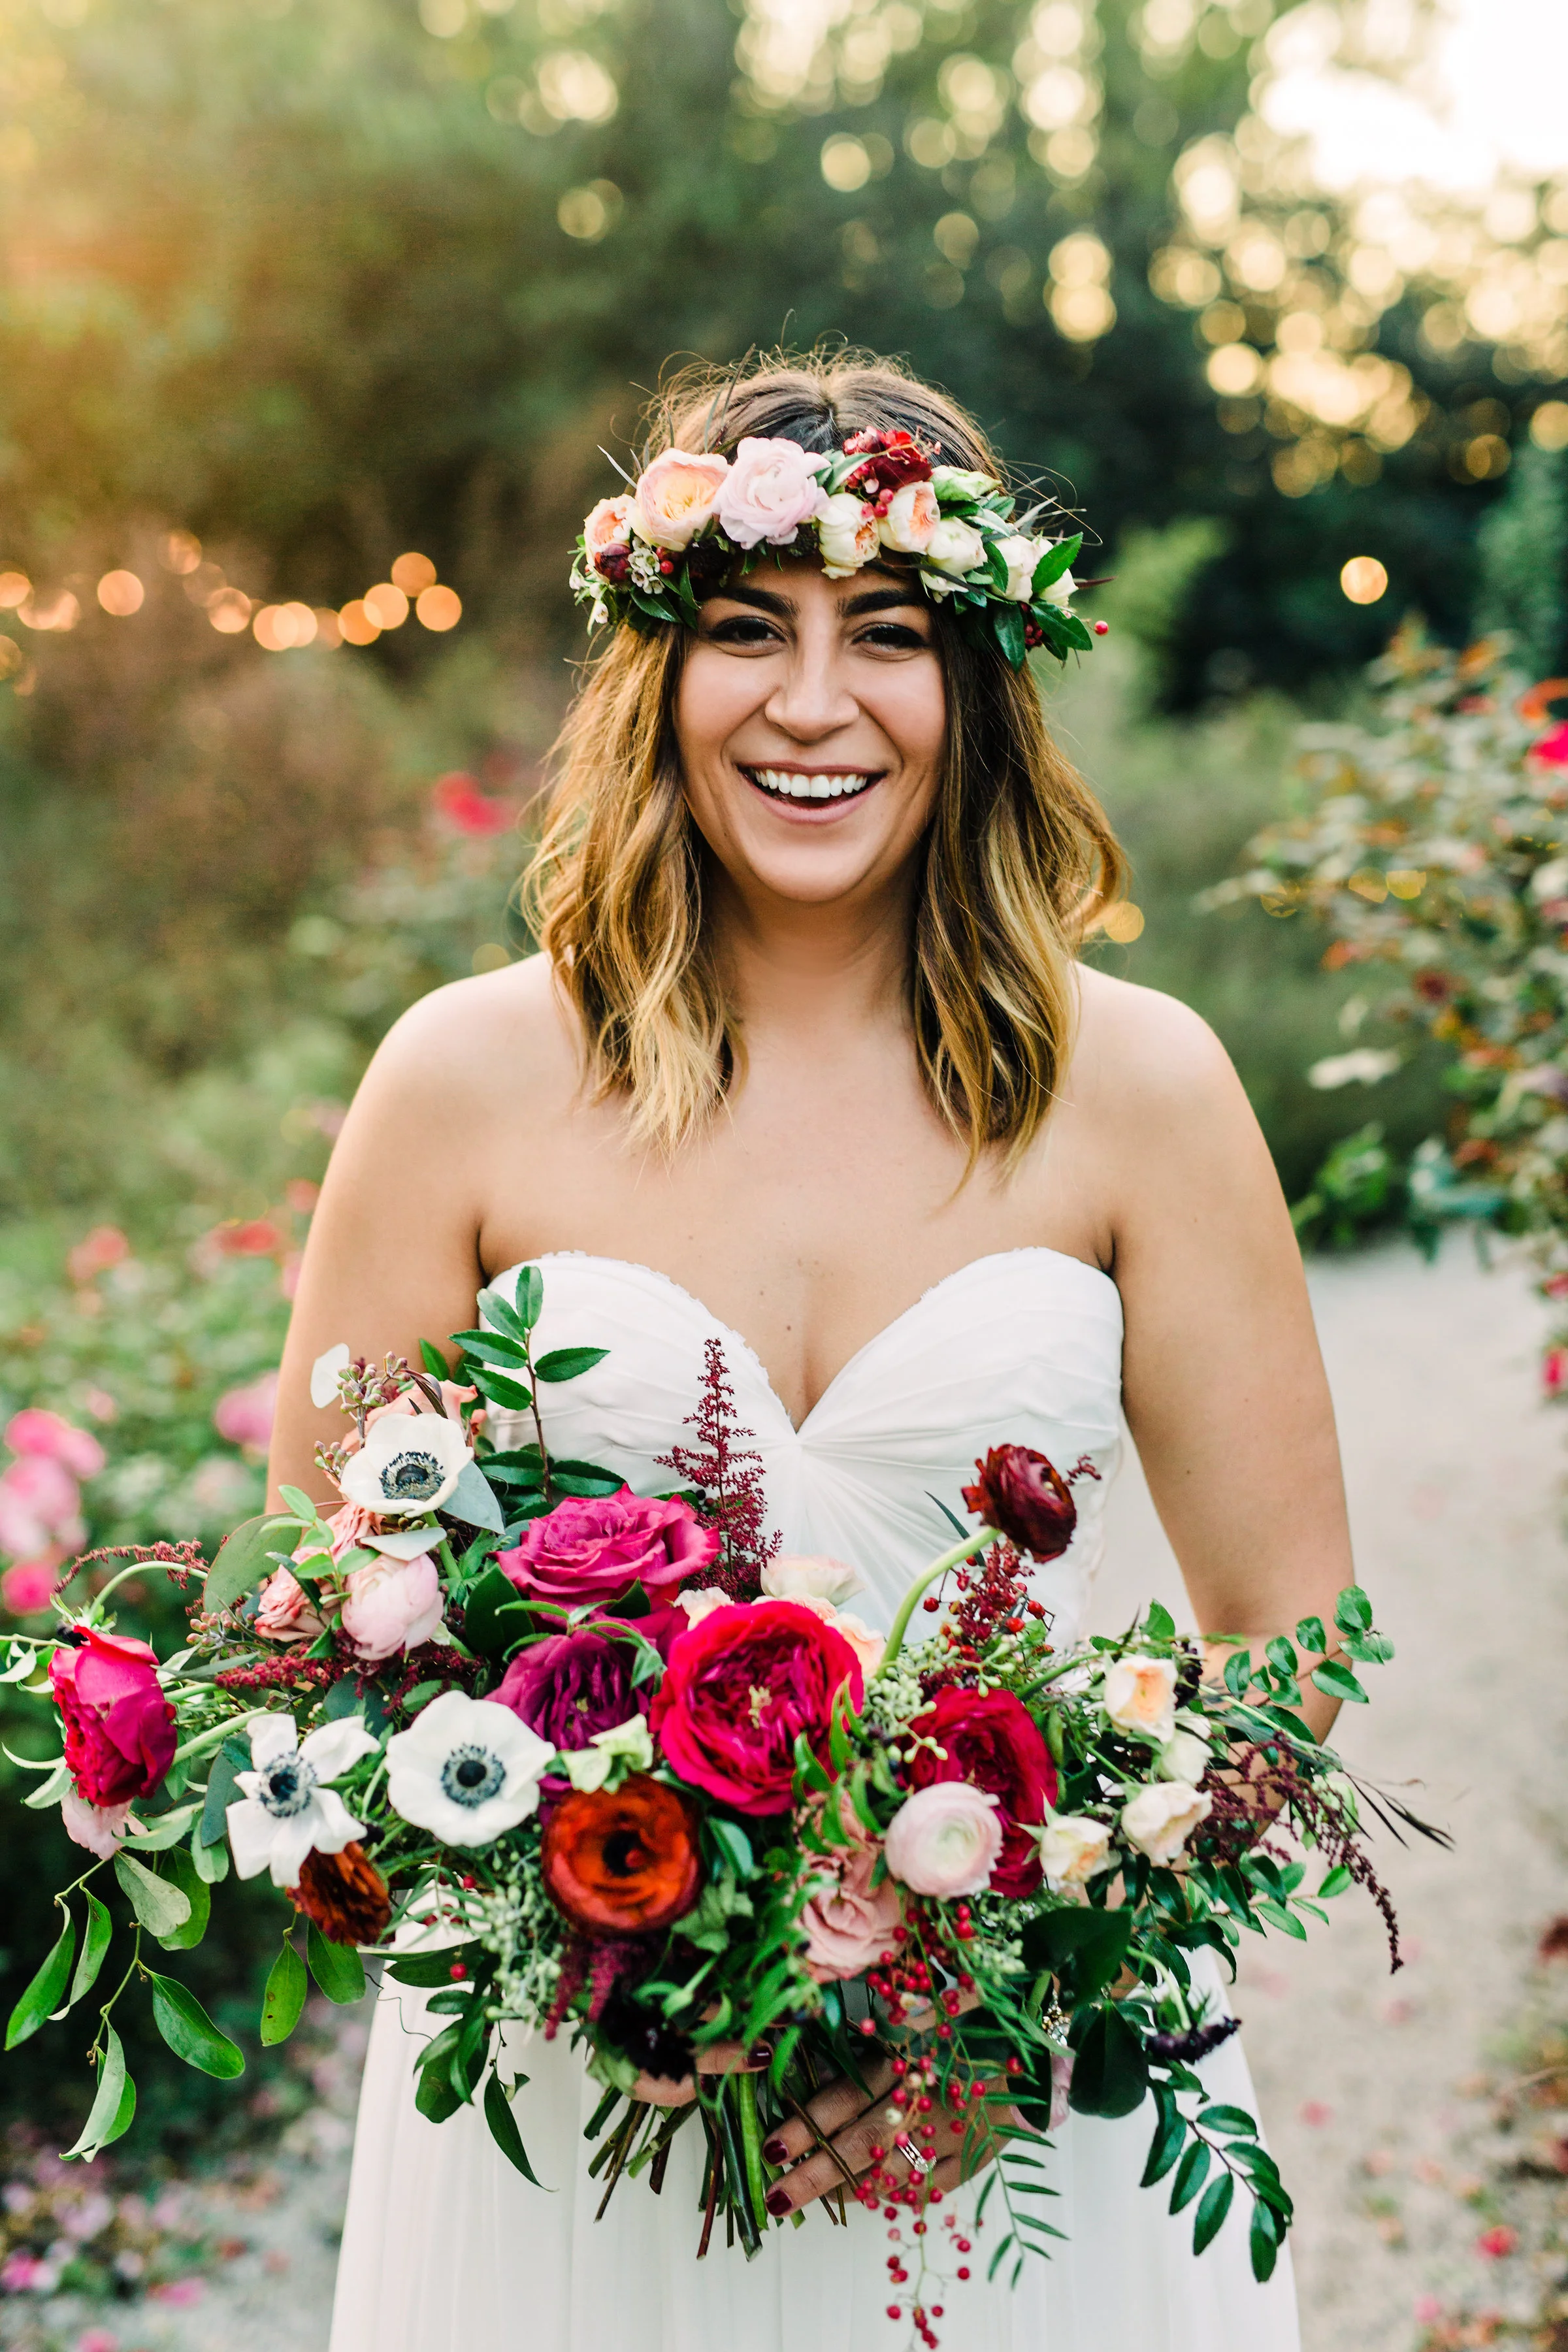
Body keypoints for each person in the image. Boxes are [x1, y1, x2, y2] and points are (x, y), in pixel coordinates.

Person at [272, 351, 1351, 2352]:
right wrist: (623, 1975)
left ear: (984, 688)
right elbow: (325, 1633)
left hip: (1025, 2135)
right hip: (581, 2130)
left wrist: (1001, 1993)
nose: (813, 703)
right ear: (656, 671)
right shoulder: (462, 1082)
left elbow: (1285, 1628)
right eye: (751, 629)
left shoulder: (1147, 1093)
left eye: (891, 635)